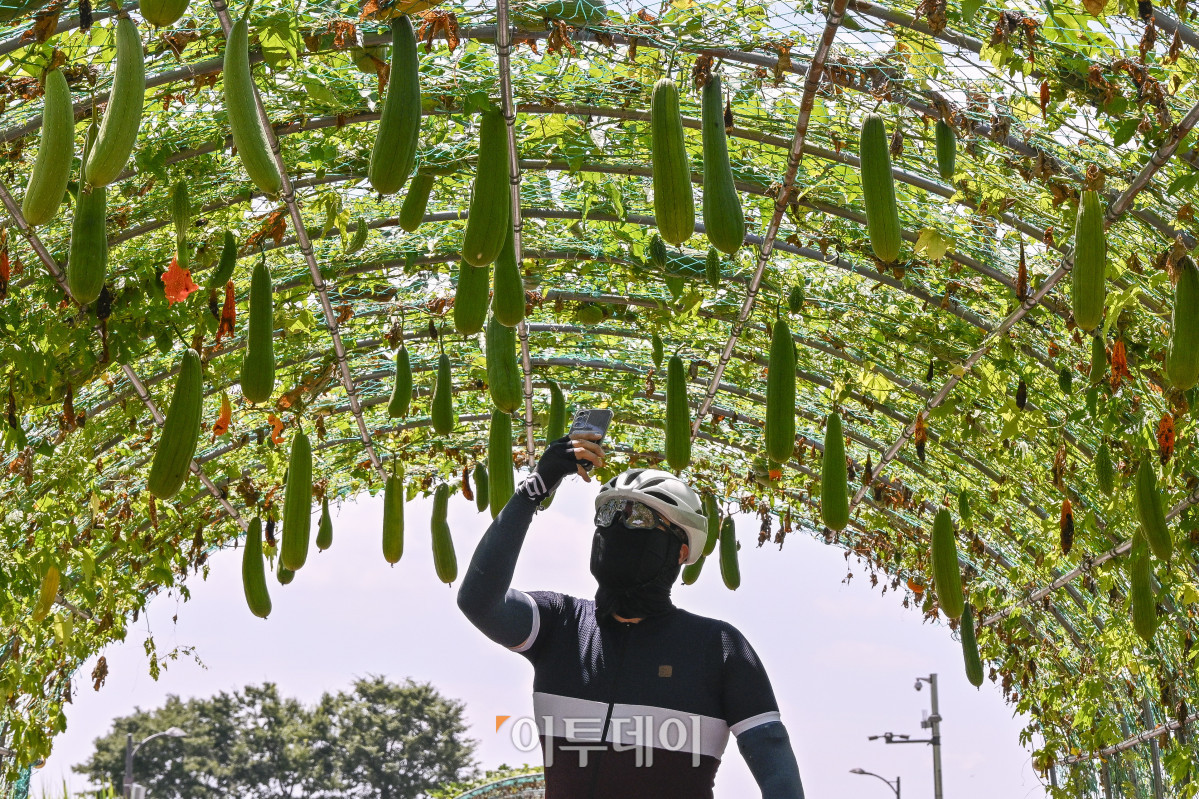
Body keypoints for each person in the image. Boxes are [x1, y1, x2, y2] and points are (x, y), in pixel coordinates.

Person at [457, 432, 805, 798]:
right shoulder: (560, 624)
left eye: (639, 519)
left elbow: (774, 760)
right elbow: (478, 600)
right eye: (607, 516)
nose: (617, 528)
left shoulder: (717, 648)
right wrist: (535, 488)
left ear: (681, 551)